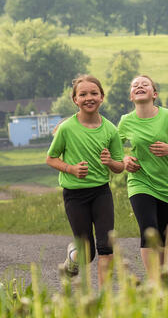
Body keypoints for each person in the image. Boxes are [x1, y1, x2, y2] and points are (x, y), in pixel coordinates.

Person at [45, 74, 124, 288]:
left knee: (106, 246)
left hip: (101, 192)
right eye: (83, 94)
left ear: (102, 97)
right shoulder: (67, 128)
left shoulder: (110, 129)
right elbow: (50, 159)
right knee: (87, 253)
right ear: (75, 100)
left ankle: (105, 298)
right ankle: (73, 257)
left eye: (94, 93)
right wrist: (70, 169)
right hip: (75, 195)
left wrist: (110, 163)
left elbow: (120, 166)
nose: (89, 97)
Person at [117, 75, 168, 284]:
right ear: (131, 96)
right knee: (148, 230)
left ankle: (161, 275)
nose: (140, 86)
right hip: (139, 181)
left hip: (167, 183)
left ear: (154, 94)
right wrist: (124, 159)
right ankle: (154, 282)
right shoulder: (126, 121)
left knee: (161, 234)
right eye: (135, 85)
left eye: (145, 84)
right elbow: (113, 148)